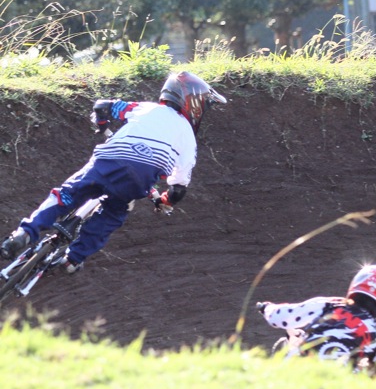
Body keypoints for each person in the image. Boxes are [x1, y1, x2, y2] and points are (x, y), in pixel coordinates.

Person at [0, 72, 226, 272]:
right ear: (191, 102)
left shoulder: (145, 108)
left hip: (108, 161)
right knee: (113, 213)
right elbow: (178, 187)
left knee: (66, 194)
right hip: (140, 178)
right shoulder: (187, 135)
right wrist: (166, 199)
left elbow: (103, 106)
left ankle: (25, 233)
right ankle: (73, 260)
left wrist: (102, 125)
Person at [256, 264, 376, 373]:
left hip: (297, 372)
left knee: (294, 335)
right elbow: (374, 374)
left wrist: (267, 308)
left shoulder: (331, 304)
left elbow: (282, 317)